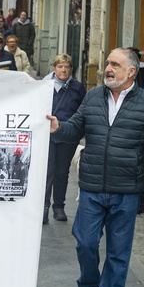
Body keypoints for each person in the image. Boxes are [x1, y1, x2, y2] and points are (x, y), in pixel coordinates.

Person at [47, 47, 144, 287]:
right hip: (91, 186)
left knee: (118, 253)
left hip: (126, 190)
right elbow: (76, 126)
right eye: (107, 63)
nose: (107, 69)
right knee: (85, 242)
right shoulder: (93, 96)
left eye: (115, 64)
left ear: (131, 71)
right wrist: (58, 127)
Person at [43, 54, 86, 224]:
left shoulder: (77, 87)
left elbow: (83, 111)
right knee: (48, 172)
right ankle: (44, 207)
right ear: (54, 68)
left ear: (71, 69)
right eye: (60, 66)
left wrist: (79, 132)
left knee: (62, 172)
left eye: (67, 66)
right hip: (48, 134)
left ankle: (59, 207)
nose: (63, 70)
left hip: (68, 135)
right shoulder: (44, 86)